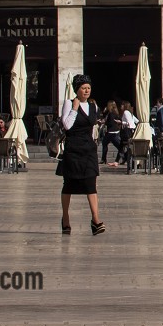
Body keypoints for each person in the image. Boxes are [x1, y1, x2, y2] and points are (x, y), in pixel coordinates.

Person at [58, 74, 105, 235]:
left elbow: (92, 127)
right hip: (73, 150)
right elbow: (67, 125)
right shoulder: (69, 104)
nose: (86, 91)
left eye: (89, 88)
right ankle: (65, 218)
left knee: (91, 184)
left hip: (89, 150)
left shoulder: (94, 106)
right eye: (83, 88)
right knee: (69, 185)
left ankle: (96, 220)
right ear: (77, 89)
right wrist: (74, 109)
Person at [100, 101, 123, 166]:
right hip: (115, 131)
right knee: (117, 145)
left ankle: (103, 159)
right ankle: (124, 156)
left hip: (111, 132)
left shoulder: (111, 114)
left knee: (105, 144)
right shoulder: (115, 112)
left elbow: (110, 123)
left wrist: (104, 122)